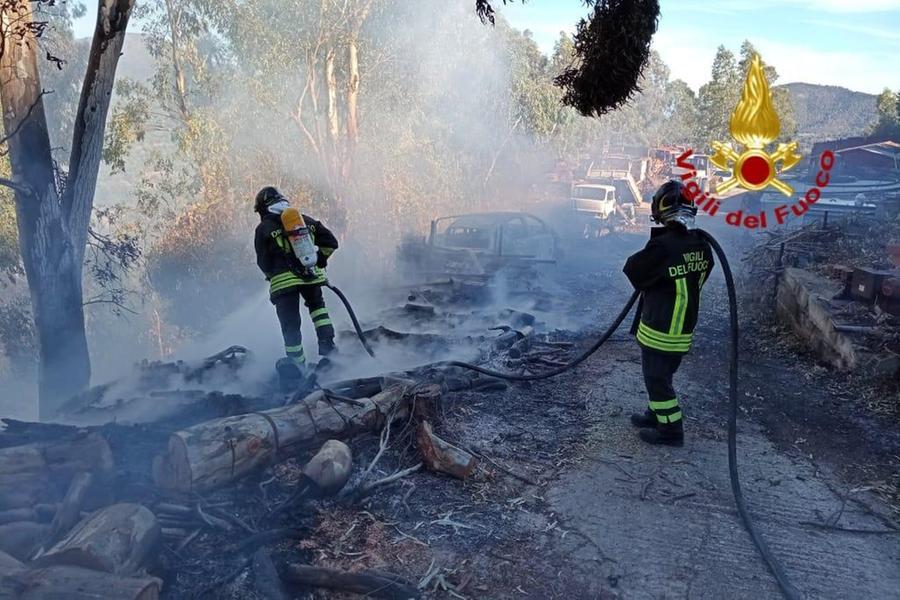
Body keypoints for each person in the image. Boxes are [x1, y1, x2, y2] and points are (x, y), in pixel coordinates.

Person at [623, 180, 714, 447]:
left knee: (656, 379)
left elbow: (634, 270)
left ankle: (671, 431)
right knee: (663, 376)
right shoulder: (701, 244)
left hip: (661, 329)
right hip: (682, 328)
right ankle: (655, 415)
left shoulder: (664, 247)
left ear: (661, 209)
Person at [253, 186, 339, 370]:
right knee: (319, 311)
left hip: (283, 283)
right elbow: (331, 243)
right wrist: (319, 260)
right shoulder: (304, 220)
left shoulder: (263, 228)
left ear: (262, 209)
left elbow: (263, 262)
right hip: (311, 276)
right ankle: (329, 350)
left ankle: (297, 366)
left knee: (290, 325)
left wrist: (272, 274)